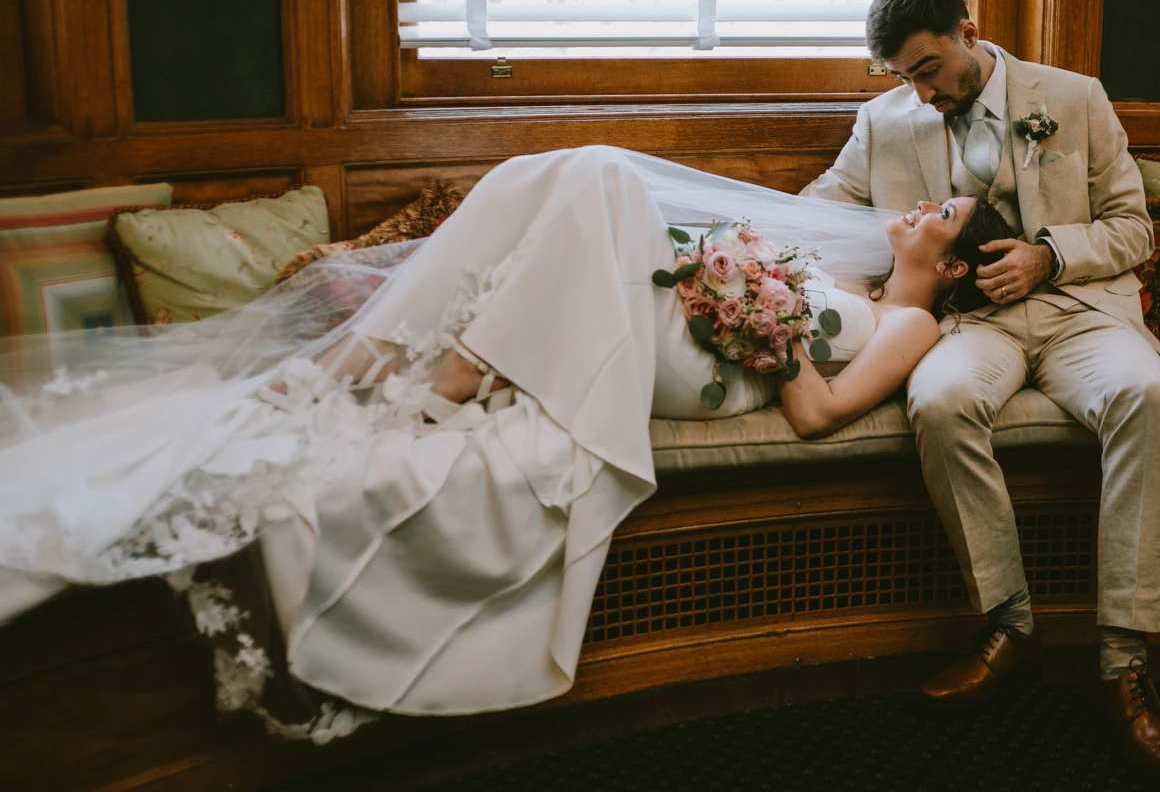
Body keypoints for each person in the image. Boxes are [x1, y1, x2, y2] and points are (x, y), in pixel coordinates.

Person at [0, 145, 1013, 738]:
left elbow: (817, 414)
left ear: (959, 268)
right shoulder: (851, 274)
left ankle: (440, 372)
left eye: (944, 216)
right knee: (558, 176)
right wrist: (735, 272)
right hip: (660, 323)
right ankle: (387, 365)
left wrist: (769, 321)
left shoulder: (915, 323)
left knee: (605, 178)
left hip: (693, 372)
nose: (919, 209)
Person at [801, 0, 1160, 782]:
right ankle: (1008, 623)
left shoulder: (1076, 96)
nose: (920, 91)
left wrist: (1049, 256)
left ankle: (1123, 661)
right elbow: (820, 210)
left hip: (1079, 310)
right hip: (967, 323)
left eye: (929, 70)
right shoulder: (884, 123)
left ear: (967, 32)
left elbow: (1133, 227)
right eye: (902, 77)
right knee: (941, 401)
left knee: (1146, 395)